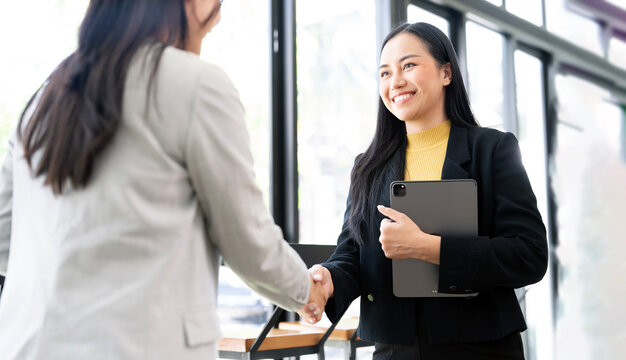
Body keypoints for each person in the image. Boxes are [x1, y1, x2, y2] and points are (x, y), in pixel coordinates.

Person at [0, 1, 325, 359]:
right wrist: (305, 290)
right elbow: (245, 238)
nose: (200, 43)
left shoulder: (43, 99)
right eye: (206, 28)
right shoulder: (195, 84)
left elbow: (4, 240)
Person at [307, 22, 548, 359]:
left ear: (445, 72)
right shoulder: (368, 167)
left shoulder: (493, 150)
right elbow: (352, 254)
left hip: (481, 349)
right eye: (385, 73)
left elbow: (529, 255)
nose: (396, 82)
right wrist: (328, 279)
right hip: (395, 349)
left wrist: (428, 247)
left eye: (409, 65)